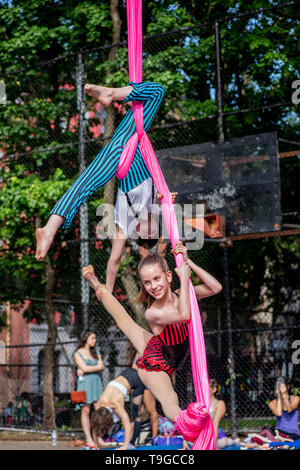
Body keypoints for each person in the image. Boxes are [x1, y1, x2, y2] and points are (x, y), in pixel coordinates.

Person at [82, 241, 222, 445]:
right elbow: (184, 315)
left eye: (157, 279)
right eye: (147, 283)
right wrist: (185, 279)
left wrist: (189, 263)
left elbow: (215, 287)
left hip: (162, 347)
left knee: (124, 321)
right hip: (156, 364)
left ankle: (95, 282)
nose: (153, 286)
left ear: (168, 276)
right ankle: (96, 283)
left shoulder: (179, 295)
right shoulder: (153, 312)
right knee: (169, 397)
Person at [35, 81, 166, 264]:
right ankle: (49, 230)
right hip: (129, 144)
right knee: (156, 92)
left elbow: (114, 260)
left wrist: (106, 288)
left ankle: (49, 230)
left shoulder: (128, 221)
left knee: (83, 185)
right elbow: (162, 197)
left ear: (138, 230)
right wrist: (164, 199)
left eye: (145, 233)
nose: (148, 229)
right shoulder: (155, 205)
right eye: (152, 231)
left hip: (120, 158)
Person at [91, 367, 146, 450]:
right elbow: (95, 425)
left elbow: (127, 425)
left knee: (136, 414)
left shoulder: (116, 405)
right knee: (98, 421)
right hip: (126, 373)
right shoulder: (99, 405)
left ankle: (131, 443)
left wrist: (124, 446)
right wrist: (96, 446)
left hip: (137, 380)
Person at [74, 330, 105, 449]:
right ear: (86, 338)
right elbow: (84, 368)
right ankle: (89, 438)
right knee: (86, 410)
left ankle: (98, 437)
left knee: (98, 411)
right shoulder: (78, 353)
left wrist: (89, 368)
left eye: (95, 338)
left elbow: (101, 366)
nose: (95, 340)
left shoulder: (96, 352)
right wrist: (96, 367)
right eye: (92, 338)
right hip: (85, 383)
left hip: (96, 382)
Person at [209, 378, 240, 449]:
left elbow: (215, 424)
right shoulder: (200, 404)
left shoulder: (219, 404)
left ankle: (234, 441)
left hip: (217, 435)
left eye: (206, 388)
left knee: (221, 444)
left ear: (213, 389)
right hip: (203, 434)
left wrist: (213, 443)